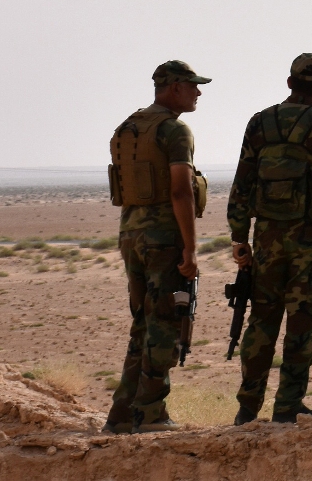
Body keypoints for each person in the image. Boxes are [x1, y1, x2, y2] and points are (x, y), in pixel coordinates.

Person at [227, 53, 312, 425]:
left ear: (289, 83)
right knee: (303, 327)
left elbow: (243, 182)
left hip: (267, 240)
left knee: (261, 322)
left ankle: (247, 407)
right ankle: (287, 408)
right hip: (311, 244)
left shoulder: (260, 122)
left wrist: (240, 236)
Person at [104, 60, 210, 434]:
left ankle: (121, 414)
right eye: (193, 86)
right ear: (176, 87)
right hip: (163, 238)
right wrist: (191, 250)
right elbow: (180, 190)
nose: (198, 93)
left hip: (131, 234)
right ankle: (150, 414)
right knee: (164, 321)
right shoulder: (173, 129)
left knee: (142, 325)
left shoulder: (128, 127)